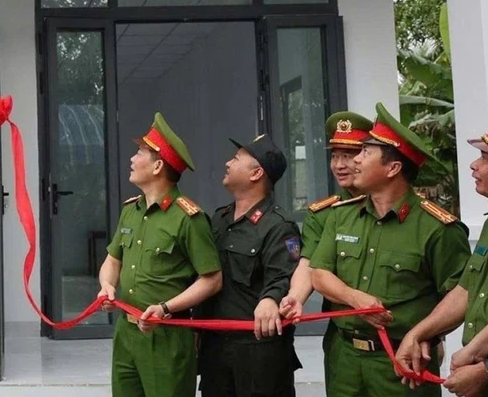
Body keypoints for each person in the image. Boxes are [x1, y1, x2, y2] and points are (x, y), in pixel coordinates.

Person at [310, 102, 471, 397]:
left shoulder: (437, 228)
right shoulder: (341, 216)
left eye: (365, 153)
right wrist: (355, 298)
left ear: (393, 168)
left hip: (402, 363)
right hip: (344, 359)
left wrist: (424, 334)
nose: (355, 160)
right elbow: (319, 274)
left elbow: (461, 296)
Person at [396, 102, 488, 395]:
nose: (474, 165)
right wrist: (419, 333)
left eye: (485, 158)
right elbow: (466, 291)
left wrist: (487, 368)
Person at [95, 112, 223, 397]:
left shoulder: (188, 218)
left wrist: (165, 308)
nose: (132, 159)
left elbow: (212, 280)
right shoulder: (131, 210)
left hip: (167, 335)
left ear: (158, 166)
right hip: (126, 334)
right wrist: (107, 286)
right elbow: (113, 260)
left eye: (140, 152)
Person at [197, 134, 302, 397]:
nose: (227, 163)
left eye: (235, 159)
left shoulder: (279, 225)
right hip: (215, 348)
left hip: (258, 351)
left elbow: (283, 276)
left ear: (256, 173)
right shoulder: (219, 219)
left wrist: (270, 299)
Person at [280, 111, 374, 321]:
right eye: (334, 156)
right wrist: (295, 298)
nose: (339, 165)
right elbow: (309, 264)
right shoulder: (323, 213)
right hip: (343, 330)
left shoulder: (392, 208)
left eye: (348, 156)